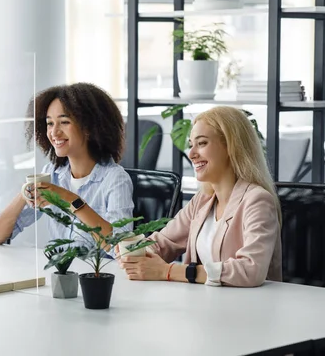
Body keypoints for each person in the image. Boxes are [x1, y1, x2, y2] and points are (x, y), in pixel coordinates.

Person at [119, 106, 282, 287]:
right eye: (191, 145)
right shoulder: (203, 199)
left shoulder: (257, 201)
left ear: (231, 146)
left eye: (202, 143)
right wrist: (133, 253)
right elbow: (164, 242)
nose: (191, 154)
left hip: (247, 308)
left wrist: (169, 271)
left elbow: (251, 269)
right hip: (203, 303)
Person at [0, 82, 134, 247]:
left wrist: (70, 199)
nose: (54, 132)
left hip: (99, 272)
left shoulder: (115, 179)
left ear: (89, 127)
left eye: (64, 122)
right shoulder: (53, 173)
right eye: (50, 123)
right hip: (60, 272)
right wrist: (26, 192)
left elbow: (122, 247)